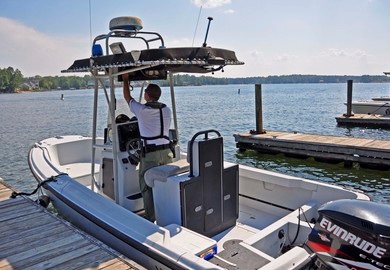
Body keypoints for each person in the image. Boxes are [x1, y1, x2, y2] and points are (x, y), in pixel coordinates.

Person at [122, 73, 172, 222]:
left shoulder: (142, 111)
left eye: (144, 93)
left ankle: (151, 220)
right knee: (164, 184)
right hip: (167, 153)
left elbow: (127, 97)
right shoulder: (167, 110)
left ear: (147, 95)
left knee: (146, 186)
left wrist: (125, 80)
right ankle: (167, 215)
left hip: (150, 156)